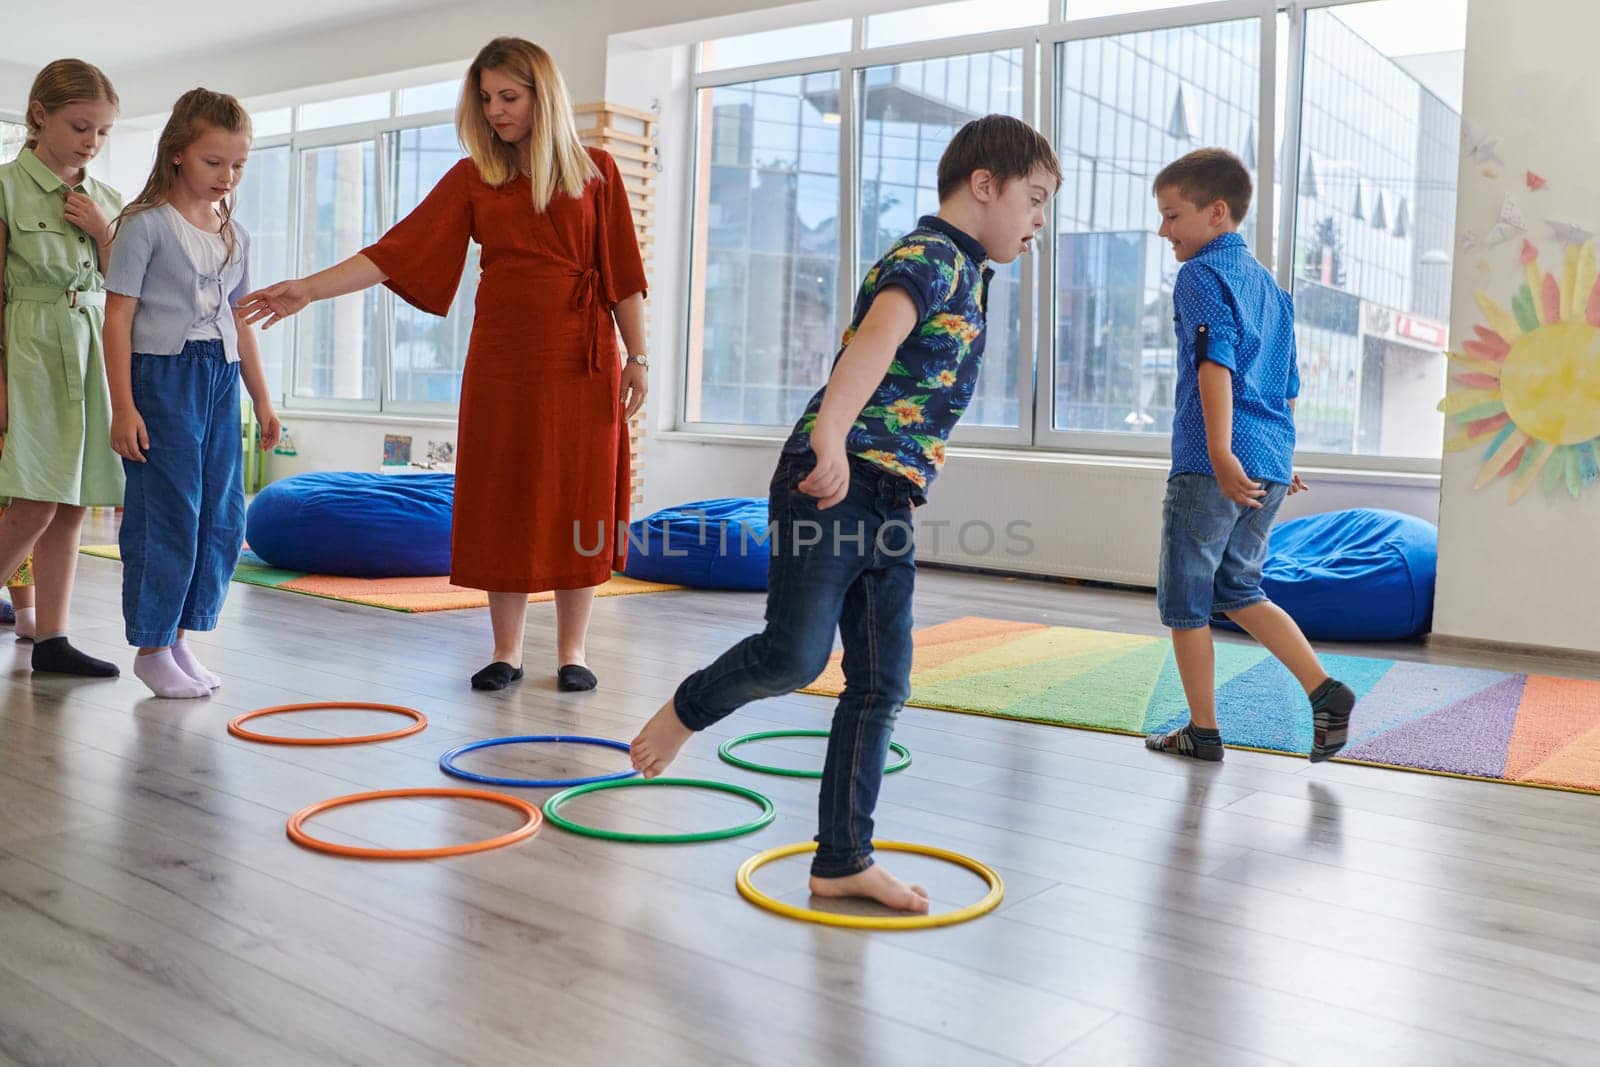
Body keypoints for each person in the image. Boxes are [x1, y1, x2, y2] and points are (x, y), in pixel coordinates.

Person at [629, 115, 1061, 913]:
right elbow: (874, 341)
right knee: (794, 655)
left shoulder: (972, 269)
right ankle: (685, 710)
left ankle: (842, 858)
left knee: (882, 680)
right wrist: (829, 434)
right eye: (1033, 200)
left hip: (890, 494)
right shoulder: (929, 257)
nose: (1038, 222)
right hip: (834, 477)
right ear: (984, 186)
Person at [240, 37, 647, 693]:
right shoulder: (472, 178)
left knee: (579, 498)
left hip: (584, 361)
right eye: (485, 99)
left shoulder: (596, 170)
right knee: (502, 496)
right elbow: (395, 252)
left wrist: (641, 357)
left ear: (543, 95)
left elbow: (623, 274)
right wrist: (308, 288)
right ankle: (506, 651)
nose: (494, 112)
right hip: (502, 361)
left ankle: (574, 652)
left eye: (508, 97)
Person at [1144, 147, 1355, 763]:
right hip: (1267, 456)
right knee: (1239, 587)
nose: (1164, 231)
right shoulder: (1272, 288)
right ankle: (1323, 690)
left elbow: (1218, 364)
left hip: (1216, 461)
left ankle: (1202, 731)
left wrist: (1218, 451)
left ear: (1216, 214)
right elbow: (1286, 385)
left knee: (1186, 600)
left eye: (1171, 215)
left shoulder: (1201, 275)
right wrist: (1276, 457)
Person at [103, 88, 280, 699]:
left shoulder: (236, 235)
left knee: (222, 516)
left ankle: (181, 635)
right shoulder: (142, 225)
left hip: (220, 378)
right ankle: (151, 646)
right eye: (214, 162)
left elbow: (239, 322)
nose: (226, 178)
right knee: (167, 514)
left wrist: (262, 399)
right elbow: (118, 320)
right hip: (162, 378)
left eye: (238, 165)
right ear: (178, 154)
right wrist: (123, 407)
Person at [0, 58, 125, 678]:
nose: (91, 143)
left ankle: (52, 640)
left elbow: (128, 288)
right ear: (40, 115)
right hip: (28, 349)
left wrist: (106, 234)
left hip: (91, 347)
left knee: (73, 501)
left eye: (103, 132)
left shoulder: (107, 199)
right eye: (81, 127)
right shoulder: (4, 187)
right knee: (35, 502)